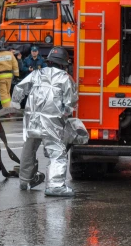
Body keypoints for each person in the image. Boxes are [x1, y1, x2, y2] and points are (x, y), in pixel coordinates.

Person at [10, 46, 80, 196]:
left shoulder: (37, 73)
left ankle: (24, 180)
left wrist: (16, 103)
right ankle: (55, 186)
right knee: (57, 152)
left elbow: (19, 89)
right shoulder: (65, 78)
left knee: (29, 149)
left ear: (49, 61)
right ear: (63, 63)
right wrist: (65, 114)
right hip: (51, 121)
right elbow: (70, 102)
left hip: (32, 119)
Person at [0, 40, 19, 108]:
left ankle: (7, 110)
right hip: (9, 76)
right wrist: (16, 75)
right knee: (7, 93)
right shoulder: (10, 54)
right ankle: (10, 107)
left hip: (0, 76)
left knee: (3, 94)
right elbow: (15, 65)